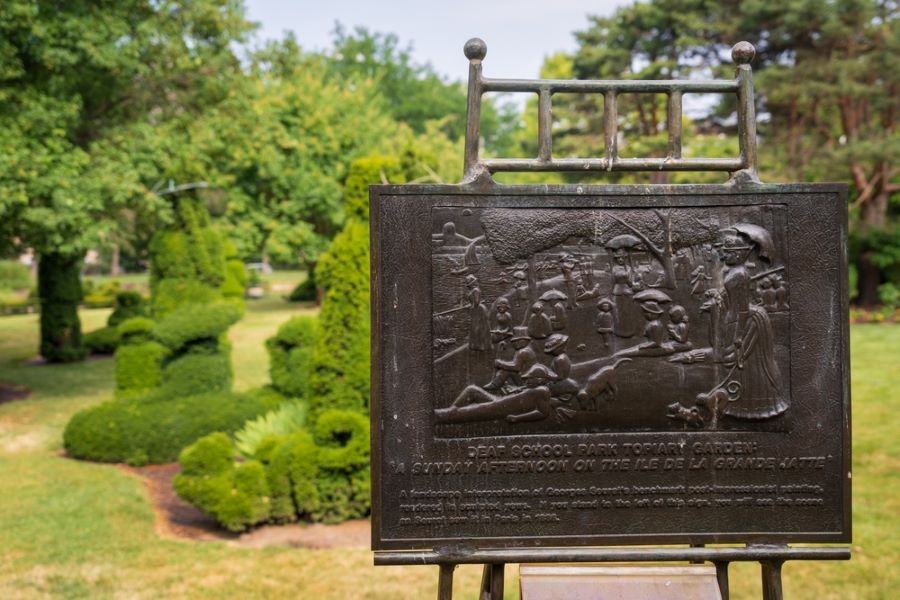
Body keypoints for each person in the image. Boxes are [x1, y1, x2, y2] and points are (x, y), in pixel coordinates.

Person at [704, 230, 787, 419]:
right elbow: (731, 297)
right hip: (734, 318)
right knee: (737, 363)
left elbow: (742, 308)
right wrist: (719, 297)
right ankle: (739, 403)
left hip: (743, 320)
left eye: (728, 251)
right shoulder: (734, 272)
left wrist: (740, 334)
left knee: (745, 362)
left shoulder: (740, 275)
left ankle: (754, 406)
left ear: (739, 254)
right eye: (724, 251)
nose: (723, 255)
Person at [434, 363, 555, 424]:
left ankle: (443, 415)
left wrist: (518, 418)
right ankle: (452, 409)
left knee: (465, 412)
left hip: (500, 408)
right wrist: (512, 389)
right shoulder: (532, 387)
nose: (527, 380)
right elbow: (521, 395)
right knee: (471, 389)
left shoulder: (541, 391)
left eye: (530, 378)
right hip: (498, 401)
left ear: (539, 380)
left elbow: (543, 413)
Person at [465, 275, 491, 351]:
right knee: (476, 327)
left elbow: (476, 302)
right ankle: (476, 345)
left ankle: (480, 345)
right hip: (476, 309)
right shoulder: (474, 290)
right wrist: (470, 305)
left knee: (478, 327)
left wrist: (470, 306)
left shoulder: (475, 290)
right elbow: (474, 302)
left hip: (478, 310)